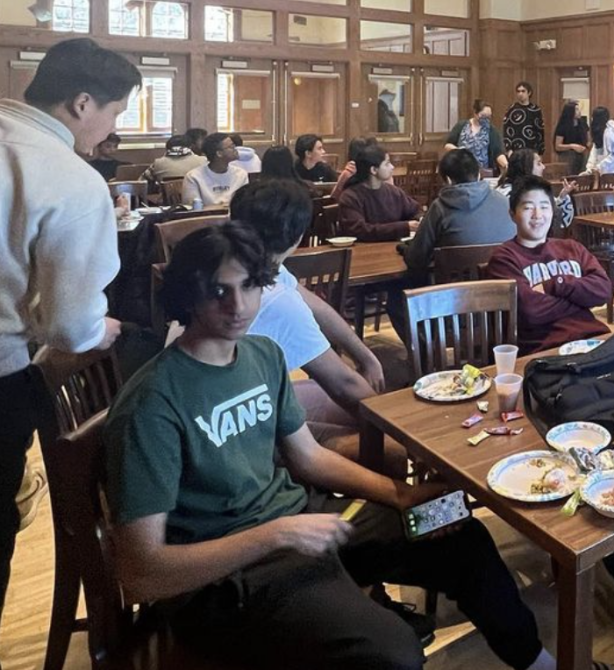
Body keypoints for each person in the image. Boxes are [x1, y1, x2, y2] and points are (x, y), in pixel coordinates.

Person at [103, 222, 565, 670]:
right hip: (225, 583)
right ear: (188, 295)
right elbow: (142, 572)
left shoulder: (261, 355)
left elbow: (308, 456)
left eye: (249, 286)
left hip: (300, 525)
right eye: (218, 291)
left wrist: (401, 496)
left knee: (455, 529)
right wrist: (278, 533)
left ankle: (537, 662)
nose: (238, 305)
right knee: (394, 653)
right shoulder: (153, 404)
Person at [0, 37, 140, 622]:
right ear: (83, 102)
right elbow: (69, 325)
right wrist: (98, 330)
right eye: (114, 113)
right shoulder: (68, 178)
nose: (109, 130)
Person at [228, 182, 399, 469]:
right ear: (297, 237)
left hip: (236, 404)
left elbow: (316, 305)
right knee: (392, 447)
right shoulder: (275, 300)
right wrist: (406, 429)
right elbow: (343, 385)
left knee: (366, 413)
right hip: (241, 442)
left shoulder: (244, 262)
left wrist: (366, 357)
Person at [485, 177, 611, 355]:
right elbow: (530, 311)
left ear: (553, 211)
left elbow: (603, 291)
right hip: (548, 351)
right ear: (512, 214)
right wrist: (581, 301)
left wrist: (554, 284)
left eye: (544, 207)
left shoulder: (572, 247)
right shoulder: (504, 258)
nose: (537, 215)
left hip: (595, 341)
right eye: (528, 207)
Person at [402, 149, 516, 287]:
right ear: (479, 174)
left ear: (448, 180)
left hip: (454, 299)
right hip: (503, 294)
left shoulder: (440, 208)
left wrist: (405, 249)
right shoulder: (504, 202)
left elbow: (416, 259)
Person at [337, 146, 421, 242]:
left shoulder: (394, 192)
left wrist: (418, 220)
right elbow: (360, 230)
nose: (392, 167)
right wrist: (404, 227)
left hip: (393, 247)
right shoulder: (350, 197)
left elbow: (415, 210)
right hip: (363, 251)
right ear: (373, 170)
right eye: (387, 163)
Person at [498, 148, 576, 228]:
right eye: (539, 164)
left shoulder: (534, 189)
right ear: (526, 167)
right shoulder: (508, 193)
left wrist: (562, 197)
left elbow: (561, 220)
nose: (543, 167)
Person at [181, 132, 249, 208]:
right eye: (231, 147)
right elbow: (193, 209)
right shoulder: (193, 177)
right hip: (205, 218)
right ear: (219, 153)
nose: (235, 149)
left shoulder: (241, 174)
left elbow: (244, 205)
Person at [445, 99, 506, 173]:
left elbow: (498, 153)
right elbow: (448, 145)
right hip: (460, 170)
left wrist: (506, 164)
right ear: (475, 113)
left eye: (489, 117)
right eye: (483, 116)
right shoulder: (461, 126)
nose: (486, 119)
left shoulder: (492, 130)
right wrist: (460, 151)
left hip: (483, 171)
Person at [503, 81, 545, 156]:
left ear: (529, 93)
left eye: (523, 91)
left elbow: (540, 131)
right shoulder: (511, 109)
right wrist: (508, 149)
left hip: (531, 149)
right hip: (515, 150)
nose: (520, 94)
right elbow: (506, 129)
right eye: (518, 91)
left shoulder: (535, 110)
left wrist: (540, 151)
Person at [553, 100, 590, 176]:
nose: (579, 111)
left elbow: (588, 139)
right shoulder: (563, 126)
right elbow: (557, 146)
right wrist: (572, 146)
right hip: (568, 156)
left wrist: (588, 144)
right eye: (576, 109)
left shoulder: (583, 123)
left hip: (582, 155)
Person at [586, 106, 614, 174]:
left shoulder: (609, 133)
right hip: (603, 172)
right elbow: (595, 152)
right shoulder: (599, 133)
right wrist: (589, 169)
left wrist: (599, 167)